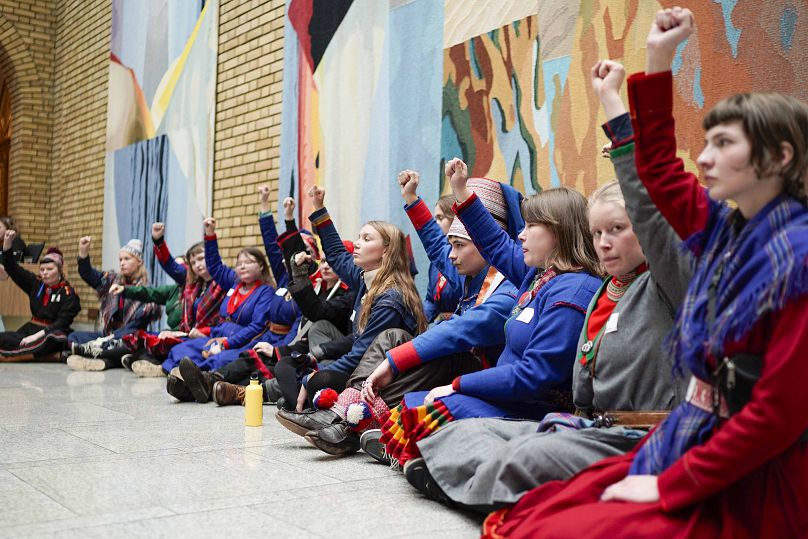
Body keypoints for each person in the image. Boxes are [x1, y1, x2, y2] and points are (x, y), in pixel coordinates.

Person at [483, 9, 808, 539]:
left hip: (754, 477)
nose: (703, 158)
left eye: (723, 144)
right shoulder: (725, 229)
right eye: (705, 142)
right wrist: (656, 59)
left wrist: (670, 485)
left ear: (780, 156)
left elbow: (779, 416)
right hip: (692, 439)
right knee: (544, 511)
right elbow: (657, 172)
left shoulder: (796, 261)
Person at [378, 159, 603, 466]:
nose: (520, 235)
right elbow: (493, 241)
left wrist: (458, 385)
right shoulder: (539, 275)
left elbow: (532, 377)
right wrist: (460, 190)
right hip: (508, 398)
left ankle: (438, 466)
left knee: (432, 407)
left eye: (531, 226)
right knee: (414, 401)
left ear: (559, 233)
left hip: (533, 410)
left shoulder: (572, 293)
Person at [299, 172, 522, 456]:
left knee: (442, 353)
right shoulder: (472, 274)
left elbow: (459, 331)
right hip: (455, 355)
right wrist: (411, 199)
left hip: (482, 373)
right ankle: (347, 410)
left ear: (487, 244)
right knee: (394, 337)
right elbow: (436, 246)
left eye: (459, 245)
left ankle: (351, 418)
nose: (450, 255)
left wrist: (395, 361)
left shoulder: (505, 291)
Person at [274, 184, 428, 432]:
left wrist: (314, 376)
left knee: (316, 379)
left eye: (366, 239)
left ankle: (316, 407)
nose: (356, 244)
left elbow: (361, 356)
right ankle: (312, 405)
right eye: (358, 237)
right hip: (357, 367)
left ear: (386, 250)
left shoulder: (391, 298)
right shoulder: (365, 277)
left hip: (378, 379)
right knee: (287, 366)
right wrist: (319, 207)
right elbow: (336, 253)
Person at [121, 222, 227, 377]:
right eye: (193, 262)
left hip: (210, 336)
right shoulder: (194, 283)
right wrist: (158, 241)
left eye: (201, 259)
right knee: (146, 338)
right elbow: (168, 267)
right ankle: (147, 361)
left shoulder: (224, 280)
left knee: (173, 346)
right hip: (189, 333)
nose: (197, 265)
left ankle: (159, 366)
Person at [66, 236, 160, 370]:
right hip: (107, 336)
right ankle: (102, 355)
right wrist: (83, 252)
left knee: (127, 342)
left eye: (127, 259)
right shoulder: (112, 280)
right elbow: (87, 274)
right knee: (73, 336)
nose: (122, 263)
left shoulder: (146, 290)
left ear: (139, 261)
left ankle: (98, 356)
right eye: (120, 259)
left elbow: (135, 325)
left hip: (128, 338)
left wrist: (109, 339)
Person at [0, 230, 81, 361]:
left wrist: (37, 336)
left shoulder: (69, 293)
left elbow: (62, 322)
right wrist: (7, 243)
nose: (45, 273)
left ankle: (17, 357)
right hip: (31, 328)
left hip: (51, 332)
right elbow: (12, 268)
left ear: (60, 270)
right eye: (42, 270)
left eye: (49, 269)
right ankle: (42, 355)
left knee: (54, 339)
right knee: (5, 337)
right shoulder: (36, 283)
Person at [423, 193, 462, 323]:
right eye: (435, 219)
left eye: (440, 218)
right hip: (440, 325)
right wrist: (418, 321)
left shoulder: (467, 256)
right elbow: (431, 299)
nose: (436, 224)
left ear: (455, 218)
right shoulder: (436, 261)